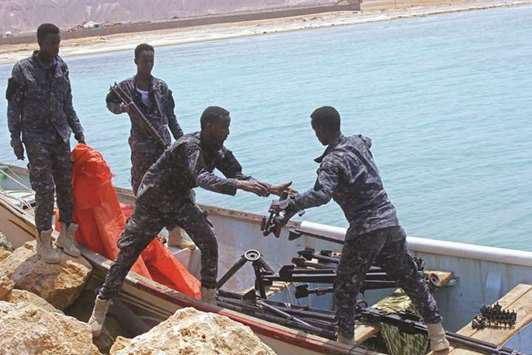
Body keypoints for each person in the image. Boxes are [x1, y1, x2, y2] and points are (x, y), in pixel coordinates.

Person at [88, 106, 290, 336]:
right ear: (209, 126)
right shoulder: (189, 146)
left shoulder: (219, 150)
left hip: (179, 200)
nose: (228, 131)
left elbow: (238, 176)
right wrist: (240, 185)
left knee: (208, 241)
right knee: (128, 254)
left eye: (229, 126)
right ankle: (101, 305)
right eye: (224, 126)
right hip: (153, 199)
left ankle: (208, 299)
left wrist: (268, 188)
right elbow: (201, 177)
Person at [273, 106, 449, 353]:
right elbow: (367, 141)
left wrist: (288, 203)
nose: (316, 135)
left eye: (315, 130)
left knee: (346, 287)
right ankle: (439, 337)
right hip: (390, 223)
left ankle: (345, 343)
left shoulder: (331, 162)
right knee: (411, 279)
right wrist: (288, 213)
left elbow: (321, 194)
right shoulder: (358, 142)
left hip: (365, 229)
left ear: (321, 129)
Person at [6, 23, 86, 262]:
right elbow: (13, 108)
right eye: (52, 43)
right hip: (35, 137)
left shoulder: (61, 66)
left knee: (66, 187)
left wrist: (78, 131)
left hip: (60, 136)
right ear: (40, 42)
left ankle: (66, 237)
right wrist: (15, 139)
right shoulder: (22, 70)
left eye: (58, 42)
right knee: (45, 190)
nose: (56, 47)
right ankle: (44, 241)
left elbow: (67, 103)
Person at [105, 43, 193, 249]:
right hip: (141, 147)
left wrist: (182, 143)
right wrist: (123, 109)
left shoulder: (161, 87)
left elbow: (171, 118)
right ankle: (144, 232)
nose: (148, 65)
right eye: (144, 61)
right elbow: (110, 104)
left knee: (172, 186)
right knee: (142, 186)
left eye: (151, 61)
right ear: (136, 62)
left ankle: (175, 233)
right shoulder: (125, 87)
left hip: (163, 145)